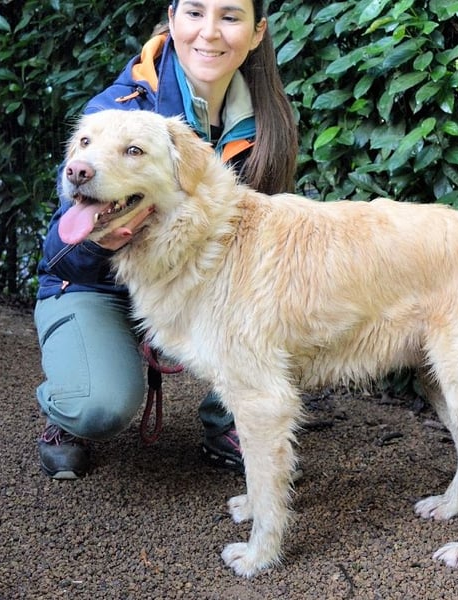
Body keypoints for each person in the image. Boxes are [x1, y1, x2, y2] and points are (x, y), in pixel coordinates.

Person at [34, 0, 298, 479]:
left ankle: (227, 420)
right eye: (195, 13)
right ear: (172, 19)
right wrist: (97, 243)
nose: (209, 32)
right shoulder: (115, 112)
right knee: (99, 405)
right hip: (99, 288)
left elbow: (266, 250)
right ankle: (70, 412)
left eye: (230, 16)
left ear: (257, 31)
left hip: (199, 286)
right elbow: (58, 253)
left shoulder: (268, 122)